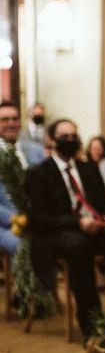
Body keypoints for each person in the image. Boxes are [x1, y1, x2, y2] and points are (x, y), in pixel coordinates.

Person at [26, 118, 105, 341]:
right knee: (79, 248)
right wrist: (77, 222)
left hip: (92, 228)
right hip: (58, 234)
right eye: (65, 137)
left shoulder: (89, 168)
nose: (71, 140)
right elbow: (40, 220)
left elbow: (104, 204)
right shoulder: (39, 173)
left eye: (74, 135)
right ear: (51, 141)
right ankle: (93, 327)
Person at [0, 101, 46, 256]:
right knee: (25, 246)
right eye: (5, 120)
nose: (11, 123)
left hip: (39, 221)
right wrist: (13, 218)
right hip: (6, 224)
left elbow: (50, 188)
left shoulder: (37, 151)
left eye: (15, 119)